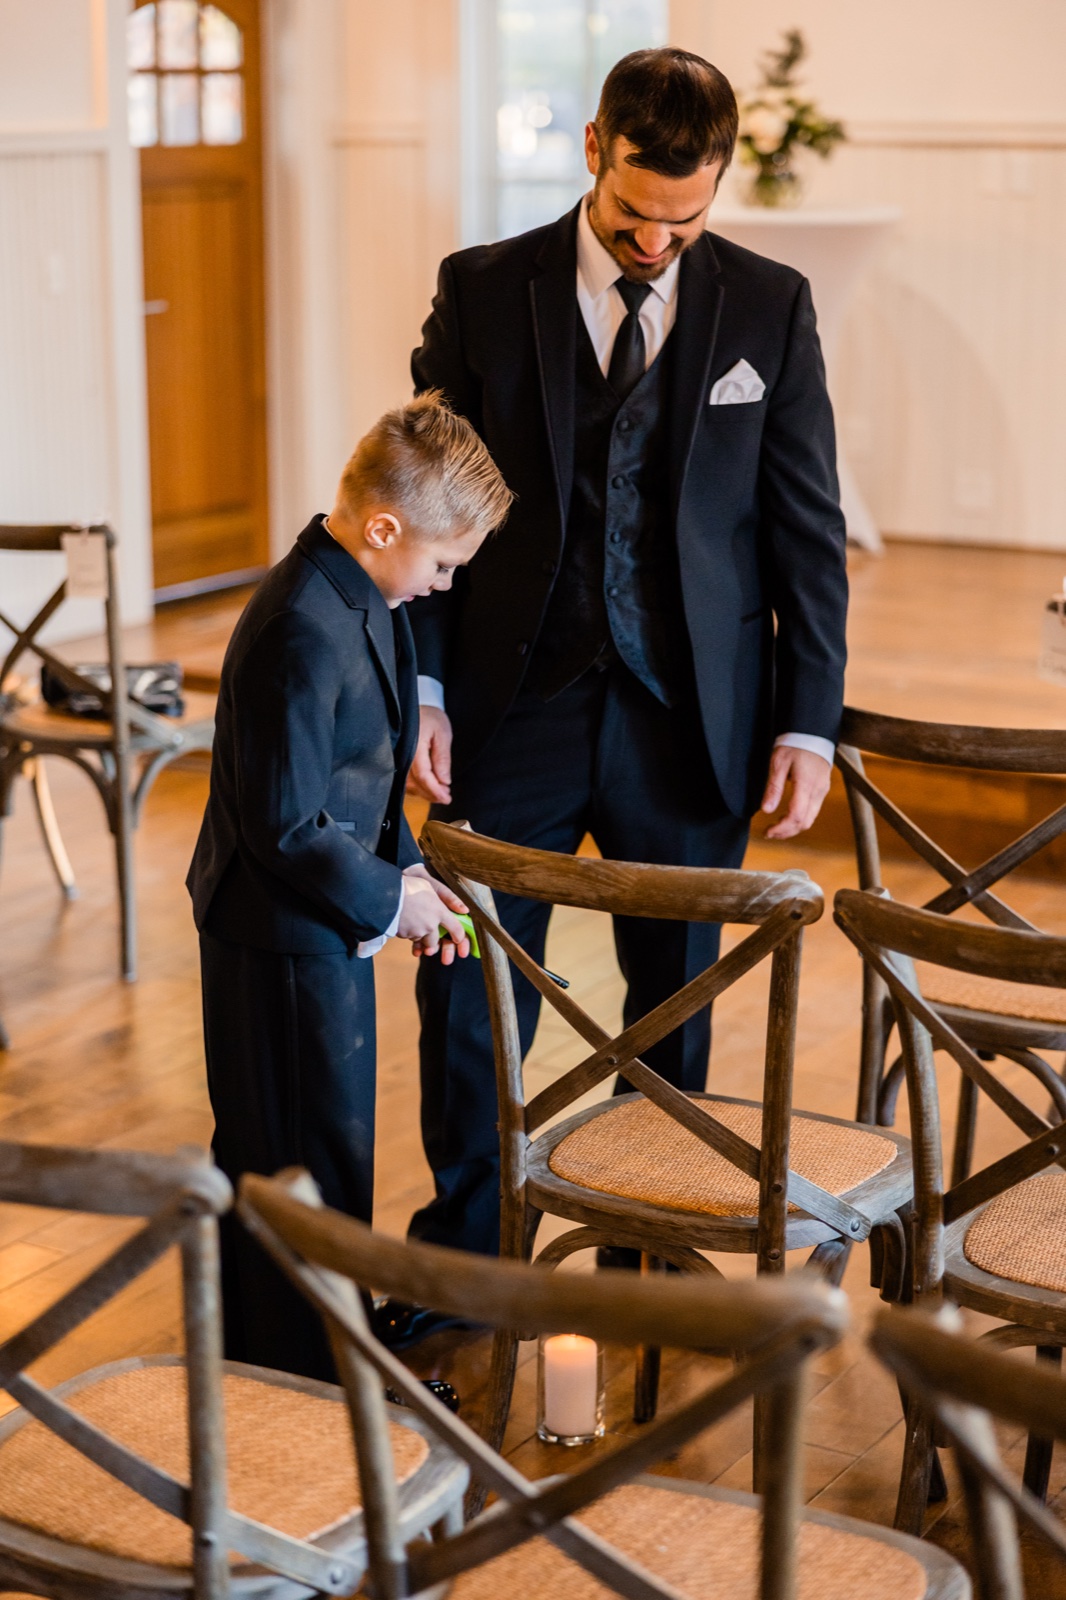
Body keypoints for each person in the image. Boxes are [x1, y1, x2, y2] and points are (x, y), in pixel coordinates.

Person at [378, 47, 849, 1345]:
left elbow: (803, 528)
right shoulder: (484, 291)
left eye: (683, 223)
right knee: (471, 986)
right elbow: (422, 502)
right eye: (637, 215)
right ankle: (465, 1259)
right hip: (509, 705)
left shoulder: (768, 305)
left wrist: (805, 715)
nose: (655, 244)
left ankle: (652, 1242)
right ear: (594, 150)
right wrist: (417, 681)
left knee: (675, 993)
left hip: (691, 715)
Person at [187, 393, 513, 1380]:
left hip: (316, 924)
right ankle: (298, 1386)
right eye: (444, 563)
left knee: (328, 1150)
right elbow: (282, 822)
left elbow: (356, 779)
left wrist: (407, 865)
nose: (443, 585)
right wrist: (390, 899)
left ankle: (315, 1360)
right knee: (296, 1164)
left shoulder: (360, 593)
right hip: (275, 936)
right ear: (385, 526)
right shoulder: (299, 624)